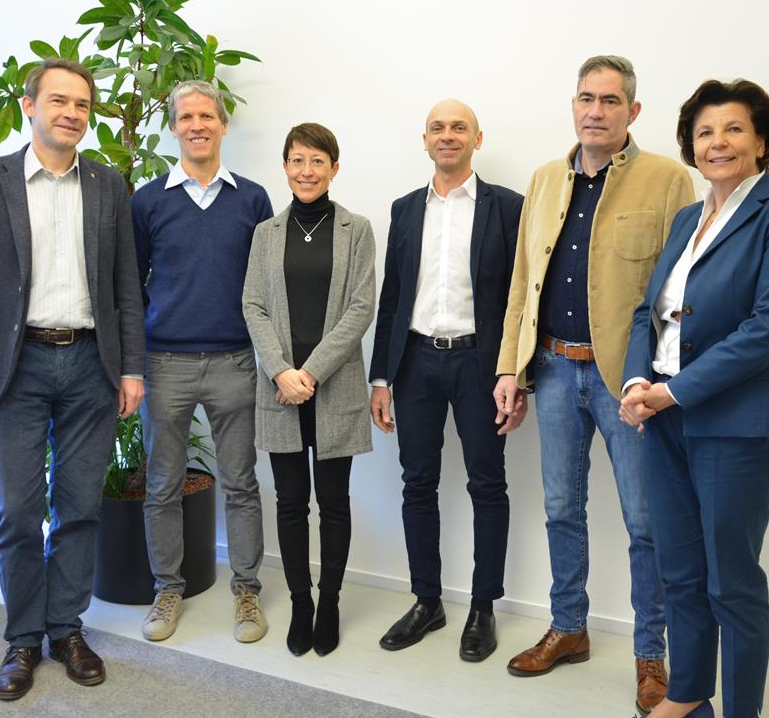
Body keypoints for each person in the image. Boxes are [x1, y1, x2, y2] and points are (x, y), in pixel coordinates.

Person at [614, 79, 769, 718]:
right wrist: (640, 381)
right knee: (679, 570)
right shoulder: (686, 219)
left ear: (761, 140)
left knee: (732, 579)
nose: (718, 143)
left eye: (733, 129)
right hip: (664, 417)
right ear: (691, 146)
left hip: (738, 423)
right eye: (705, 132)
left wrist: (674, 391)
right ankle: (687, 696)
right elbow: (649, 312)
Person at [494, 55, 694, 713]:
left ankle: (650, 654)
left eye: (610, 101)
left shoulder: (667, 179)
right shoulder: (545, 179)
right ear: (573, 104)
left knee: (645, 522)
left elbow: (680, 290)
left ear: (632, 111)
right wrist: (509, 368)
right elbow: (522, 283)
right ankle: (569, 628)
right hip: (553, 369)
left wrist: (660, 381)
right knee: (560, 509)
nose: (596, 111)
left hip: (627, 383)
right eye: (586, 98)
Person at [0, 59, 146, 700]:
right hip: (15, 367)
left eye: (82, 105)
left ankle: (66, 629)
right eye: (59, 101)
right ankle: (23, 639)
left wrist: (131, 367)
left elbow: (126, 286)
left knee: (80, 507)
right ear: (29, 105)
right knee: (17, 509)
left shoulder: (108, 185)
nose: (72, 113)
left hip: (91, 364)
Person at [369, 99, 523, 663]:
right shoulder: (406, 209)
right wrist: (381, 377)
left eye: (460, 127)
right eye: (438, 127)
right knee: (417, 483)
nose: (448, 135)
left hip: (480, 364)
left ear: (477, 139)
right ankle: (426, 601)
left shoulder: (508, 207)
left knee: (488, 484)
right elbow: (392, 296)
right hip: (415, 363)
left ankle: (483, 607)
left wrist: (516, 374)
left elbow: (519, 299)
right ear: (425, 139)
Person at [131, 80, 273, 644]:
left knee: (240, 483)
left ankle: (247, 592)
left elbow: (265, 286)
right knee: (162, 485)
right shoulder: (148, 201)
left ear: (223, 125)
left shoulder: (252, 199)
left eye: (206, 116)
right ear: (173, 127)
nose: (197, 125)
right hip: (164, 363)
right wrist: (133, 364)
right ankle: (168, 589)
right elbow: (130, 285)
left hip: (234, 361)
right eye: (186, 117)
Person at [242, 123, 375, 657]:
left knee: (334, 503)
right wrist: (281, 371)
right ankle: (301, 603)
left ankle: (331, 602)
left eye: (317, 161)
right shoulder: (266, 233)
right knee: (291, 503)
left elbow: (361, 308)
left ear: (334, 168)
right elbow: (253, 305)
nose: (306, 171)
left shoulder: (356, 229)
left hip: (334, 385)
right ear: (285, 167)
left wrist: (310, 373)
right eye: (297, 160)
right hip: (280, 391)